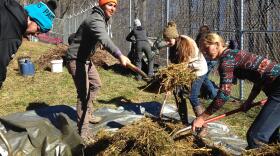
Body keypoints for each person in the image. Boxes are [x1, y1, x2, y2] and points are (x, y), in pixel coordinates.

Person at [192, 32, 280, 149]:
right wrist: (249, 101)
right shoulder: (232, 54)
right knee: (272, 138)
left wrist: (202, 117)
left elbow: (224, 94)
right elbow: (259, 79)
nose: (204, 52)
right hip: (276, 89)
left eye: (206, 47)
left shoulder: (226, 60)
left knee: (256, 138)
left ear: (217, 44)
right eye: (202, 50)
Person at [65, 0, 131, 138]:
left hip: (85, 59)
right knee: (83, 95)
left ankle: (87, 114)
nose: (113, 8)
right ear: (101, 5)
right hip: (76, 60)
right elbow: (105, 39)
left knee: (96, 84)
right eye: (109, 5)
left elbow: (97, 39)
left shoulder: (101, 19)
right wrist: (119, 55)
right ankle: (83, 132)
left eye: (114, 6)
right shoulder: (95, 19)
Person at [162, 21, 208, 136]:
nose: (167, 42)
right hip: (186, 70)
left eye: (168, 40)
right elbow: (174, 64)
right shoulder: (173, 45)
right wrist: (169, 86)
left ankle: (204, 125)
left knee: (193, 96)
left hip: (198, 71)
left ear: (174, 37)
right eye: (165, 40)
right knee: (178, 94)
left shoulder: (185, 44)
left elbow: (181, 67)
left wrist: (171, 83)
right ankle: (184, 122)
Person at [0, 0, 56, 89]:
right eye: (39, 30)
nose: (36, 35)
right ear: (33, 19)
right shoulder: (13, 35)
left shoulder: (7, 5)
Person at [195, 25, 217, 100]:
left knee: (204, 78)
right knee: (204, 77)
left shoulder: (201, 37)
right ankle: (206, 94)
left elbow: (197, 47)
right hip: (213, 59)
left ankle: (213, 95)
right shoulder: (212, 36)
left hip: (207, 59)